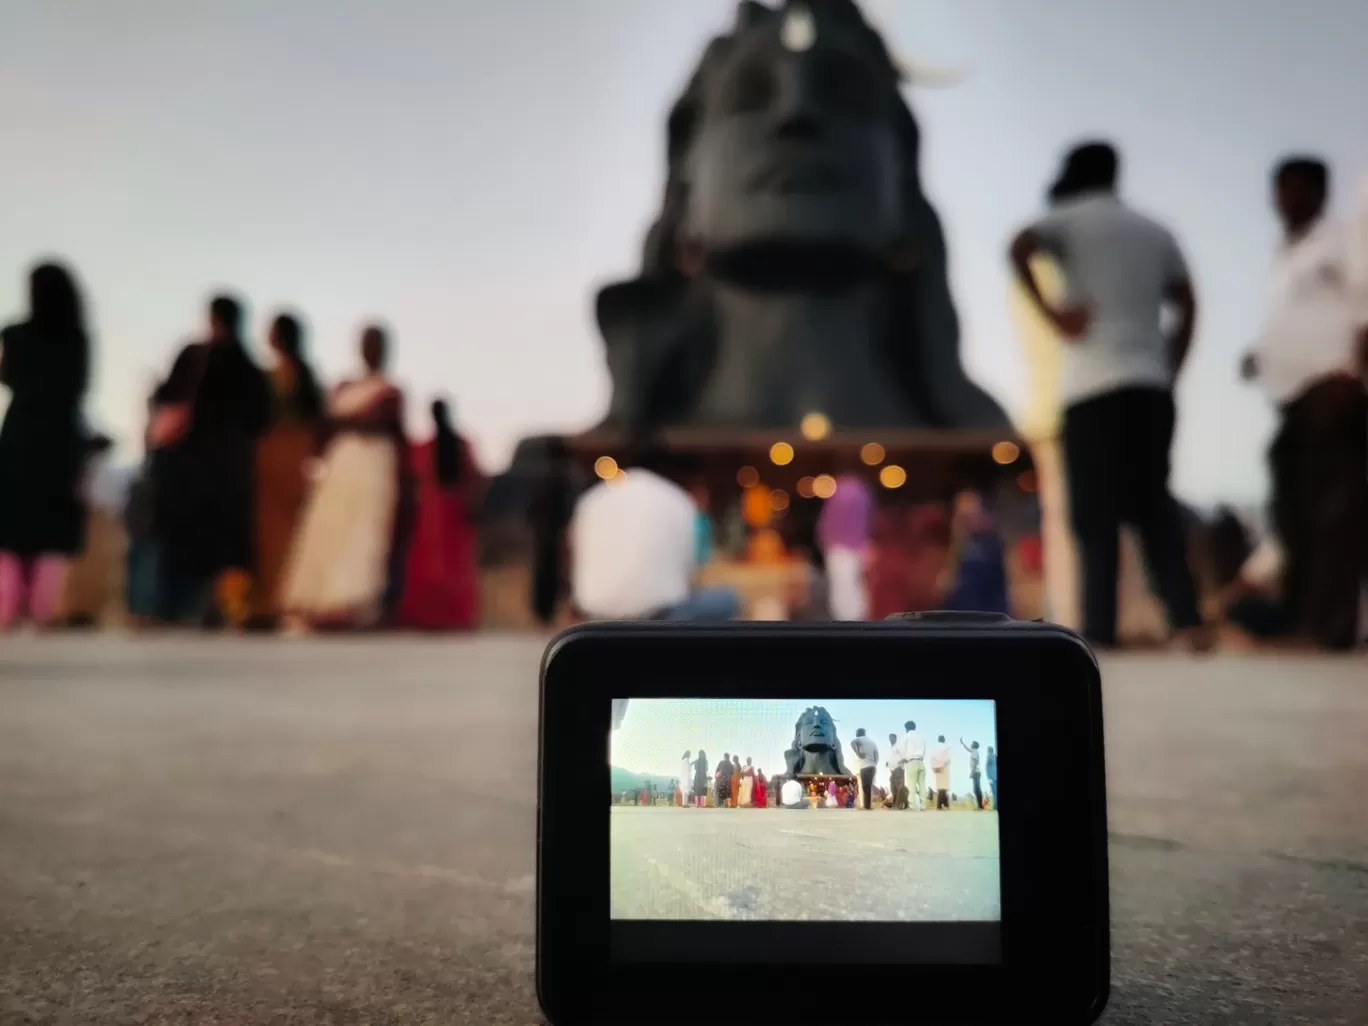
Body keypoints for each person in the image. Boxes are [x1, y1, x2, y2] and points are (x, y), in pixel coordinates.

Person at [1009, 141, 1211, 652]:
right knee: (1153, 507)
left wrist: (1053, 314)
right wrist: (1172, 363)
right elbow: (1188, 300)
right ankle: (1185, 621)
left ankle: (1100, 629)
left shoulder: (1069, 219)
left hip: (1091, 387)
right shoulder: (1153, 229)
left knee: (1094, 514)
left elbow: (1018, 245)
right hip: (1148, 385)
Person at [1242, 157, 1368, 651]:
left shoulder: (1340, 241)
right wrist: (1263, 356)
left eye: (1297, 189)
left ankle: (1329, 627)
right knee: (1292, 509)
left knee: (1336, 512)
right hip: (1293, 398)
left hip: (1334, 390)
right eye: (1280, 189)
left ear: (1318, 192)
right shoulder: (1284, 255)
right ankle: (1301, 618)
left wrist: (1356, 375)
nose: (1286, 199)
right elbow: (1298, 317)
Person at [150, 294, 272, 626]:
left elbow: (168, 395)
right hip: (231, 464)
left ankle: (180, 607)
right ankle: (221, 606)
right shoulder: (248, 367)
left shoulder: (197, 356)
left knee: (194, 537)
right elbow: (261, 418)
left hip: (197, 465)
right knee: (225, 541)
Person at [281, 326, 406, 629]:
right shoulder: (344, 386)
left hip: (374, 464)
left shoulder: (390, 391)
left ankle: (356, 602)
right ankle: (321, 601)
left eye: (376, 344)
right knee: (332, 526)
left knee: (365, 531)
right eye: (367, 343)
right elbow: (325, 425)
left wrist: (349, 422)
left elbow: (390, 429)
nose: (371, 349)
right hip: (342, 465)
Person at [0, 263, 92, 629]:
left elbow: (7, 376)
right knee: (52, 527)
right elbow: (80, 386)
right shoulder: (76, 337)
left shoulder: (15, 334)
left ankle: (7, 607)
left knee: (10, 526)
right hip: (60, 437)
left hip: (21, 433)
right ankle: (43, 608)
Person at [569, 443, 739, 621]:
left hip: (594, 613)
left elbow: (574, 552)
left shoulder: (593, 498)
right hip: (660, 615)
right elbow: (692, 570)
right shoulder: (678, 500)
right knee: (729, 599)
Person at [249, 313, 324, 630]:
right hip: (283, 455)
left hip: (284, 454)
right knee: (273, 533)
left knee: (285, 533)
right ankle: (268, 602)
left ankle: (283, 601)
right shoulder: (296, 375)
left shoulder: (284, 376)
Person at [398, 399, 485, 630]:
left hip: (434, 513)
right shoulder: (460, 445)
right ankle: (445, 616)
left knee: (437, 563)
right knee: (449, 565)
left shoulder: (427, 447)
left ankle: (435, 616)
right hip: (446, 512)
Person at [529, 438, 577, 626]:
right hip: (560, 532)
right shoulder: (569, 475)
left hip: (543, 534)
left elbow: (533, 507)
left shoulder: (541, 475)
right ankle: (557, 614)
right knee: (562, 573)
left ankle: (545, 615)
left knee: (544, 574)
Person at [816, 462, 874, 620]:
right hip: (858, 548)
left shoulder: (839, 492)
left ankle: (847, 626)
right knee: (855, 587)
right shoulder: (863, 493)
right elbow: (868, 522)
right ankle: (857, 625)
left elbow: (826, 524)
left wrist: (825, 542)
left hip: (839, 549)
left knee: (842, 589)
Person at [943, 491, 1011, 615]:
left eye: (972, 510)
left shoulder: (991, 541)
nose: (969, 517)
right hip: (961, 607)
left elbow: (999, 581)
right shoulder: (953, 542)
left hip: (989, 607)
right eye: (964, 513)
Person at [899, 720, 927, 811]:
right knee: (922, 784)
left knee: (911, 784)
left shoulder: (907, 736)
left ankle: (912, 806)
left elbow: (901, 749)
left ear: (906, 728)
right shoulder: (921, 737)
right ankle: (923, 806)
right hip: (921, 762)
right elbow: (924, 751)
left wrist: (904, 758)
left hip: (911, 762)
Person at [849, 728, 879, 811]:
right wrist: (875, 763)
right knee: (869, 786)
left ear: (858, 733)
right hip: (872, 766)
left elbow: (852, 742)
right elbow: (876, 754)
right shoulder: (872, 742)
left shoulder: (859, 739)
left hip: (863, 766)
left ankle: (865, 805)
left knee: (864, 786)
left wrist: (858, 753)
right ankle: (868, 805)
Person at [886, 732, 907, 810]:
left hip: (899, 769)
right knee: (893, 787)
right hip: (892, 769)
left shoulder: (899, 746)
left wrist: (901, 763)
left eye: (892, 738)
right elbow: (891, 757)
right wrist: (887, 762)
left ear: (895, 738)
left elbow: (904, 756)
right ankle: (895, 804)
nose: (891, 740)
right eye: (890, 738)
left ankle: (898, 805)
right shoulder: (890, 748)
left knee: (900, 787)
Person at [930, 735, 952, 810]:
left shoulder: (935, 748)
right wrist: (943, 767)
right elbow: (949, 760)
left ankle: (941, 804)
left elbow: (932, 758)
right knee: (943, 787)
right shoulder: (947, 747)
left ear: (938, 740)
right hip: (944, 768)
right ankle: (942, 804)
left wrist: (934, 768)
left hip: (937, 768)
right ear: (944, 740)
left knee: (940, 787)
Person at [961, 738, 984, 810]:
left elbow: (975, 762)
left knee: (976, 789)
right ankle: (980, 806)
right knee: (977, 789)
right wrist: (962, 743)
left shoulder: (974, 752)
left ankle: (980, 806)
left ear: (974, 745)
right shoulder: (975, 751)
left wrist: (972, 772)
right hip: (977, 772)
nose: (970, 744)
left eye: (971, 743)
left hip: (976, 772)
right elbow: (968, 749)